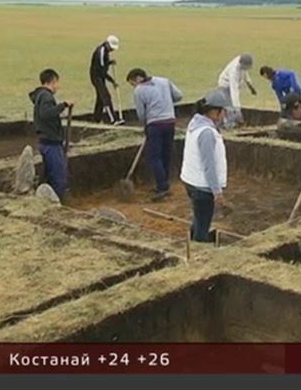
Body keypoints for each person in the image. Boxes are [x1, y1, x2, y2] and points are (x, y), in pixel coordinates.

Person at [179, 91, 230, 243]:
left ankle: (193, 238)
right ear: (215, 112)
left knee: (199, 217)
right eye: (223, 111)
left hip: (191, 181)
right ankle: (199, 252)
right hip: (202, 187)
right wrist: (217, 192)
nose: (224, 115)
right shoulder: (206, 133)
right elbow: (209, 165)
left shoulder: (195, 124)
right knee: (203, 225)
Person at [128, 68, 184, 202]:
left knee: (154, 157)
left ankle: (162, 186)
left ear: (138, 78)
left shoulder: (139, 90)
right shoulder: (164, 81)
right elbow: (178, 96)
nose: (133, 86)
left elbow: (141, 114)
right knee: (166, 153)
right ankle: (164, 183)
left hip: (155, 125)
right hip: (170, 122)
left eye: (132, 83)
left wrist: (145, 126)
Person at [28, 69, 74, 202]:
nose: (58, 86)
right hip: (51, 143)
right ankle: (60, 204)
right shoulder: (46, 96)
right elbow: (46, 113)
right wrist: (63, 105)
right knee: (58, 176)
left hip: (46, 141)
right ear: (52, 81)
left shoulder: (40, 96)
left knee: (50, 175)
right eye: (57, 83)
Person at [89, 35, 123, 125]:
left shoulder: (106, 51)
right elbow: (101, 69)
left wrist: (110, 62)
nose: (112, 49)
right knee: (106, 97)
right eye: (111, 47)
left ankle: (96, 119)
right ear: (107, 43)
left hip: (100, 76)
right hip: (97, 77)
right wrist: (112, 81)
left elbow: (103, 65)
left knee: (100, 98)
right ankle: (113, 119)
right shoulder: (101, 51)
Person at [216, 53, 256, 128]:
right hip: (225, 85)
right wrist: (237, 108)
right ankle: (228, 125)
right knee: (229, 107)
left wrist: (250, 85)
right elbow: (234, 91)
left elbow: (245, 73)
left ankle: (230, 122)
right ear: (242, 64)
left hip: (232, 86)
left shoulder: (242, 63)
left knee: (232, 107)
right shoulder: (234, 71)